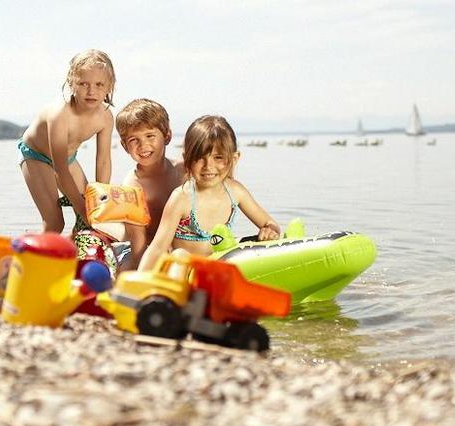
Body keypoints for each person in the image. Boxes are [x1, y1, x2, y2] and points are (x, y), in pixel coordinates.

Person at [137, 115, 281, 271]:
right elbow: (157, 248)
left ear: (234, 158)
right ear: (187, 159)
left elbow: (270, 224)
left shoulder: (236, 192)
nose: (208, 166)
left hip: (216, 270)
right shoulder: (182, 198)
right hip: (185, 271)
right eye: (199, 158)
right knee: (180, 255)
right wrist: (138, 282)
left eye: (218, 157)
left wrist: (269, 231)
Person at [19, 49, 115, 234]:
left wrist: (101, 201)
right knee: (55, 223)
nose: (91, 91)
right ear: (71, 82)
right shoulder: (60, 114)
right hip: (36, 157)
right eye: (83, 83)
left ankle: (72, 256)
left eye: (99, 84)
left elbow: (103, 161)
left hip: (68, 159)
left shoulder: (105, 117)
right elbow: (60, 171)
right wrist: (82, 208)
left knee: (88, 217)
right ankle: (33, 258)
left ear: (109, 86)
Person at [114, 98, 186, 271]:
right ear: (125, 146)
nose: (143, 145)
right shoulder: (132, 187)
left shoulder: (183, 171)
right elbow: (138, 245)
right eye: (134, 140)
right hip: (147, 249)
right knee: (125, 271)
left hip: (184, 247)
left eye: (150, 136)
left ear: (167, 136)